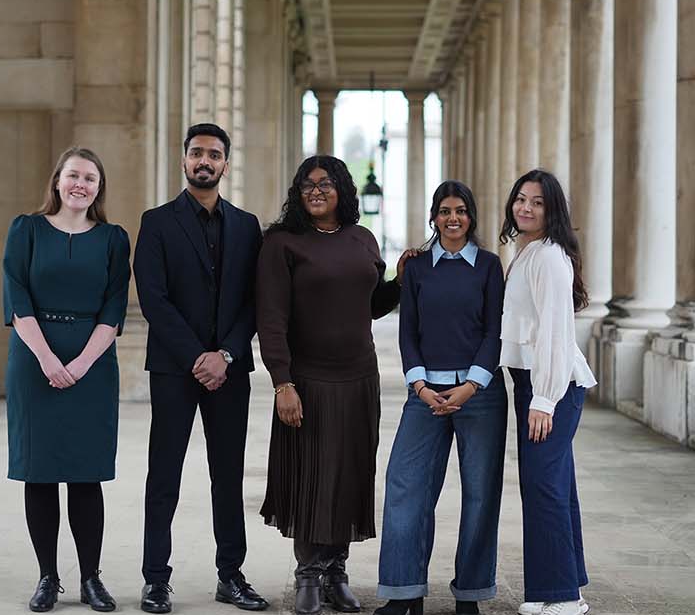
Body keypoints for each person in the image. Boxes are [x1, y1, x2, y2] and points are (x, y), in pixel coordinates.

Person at [256, 155, 411, 615]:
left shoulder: (361, 238)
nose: (316, 190)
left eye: (325, 183)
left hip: (360, 377)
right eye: (307, 184)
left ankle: (336, 572)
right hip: (307, 378)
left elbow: (371, 304)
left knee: (348, 473)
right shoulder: (282, 243)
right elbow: (271, 318)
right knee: (311, 477)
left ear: (342, 189)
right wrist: (282, 381)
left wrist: (399, 281)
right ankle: (308, 574)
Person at [134, 124, 267, 614]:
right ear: (184, 160)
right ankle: (155, 579)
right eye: (196, 153)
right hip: (174, 369)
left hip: (229, 371)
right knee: (163, 475)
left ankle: (230, 576)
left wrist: (225, 355)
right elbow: (154, 299)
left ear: (226, 165)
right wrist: (197, 357)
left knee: (227, 476)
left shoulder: (248, 225)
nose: (204, 161)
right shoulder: (156, 222)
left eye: (213, 154)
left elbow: (256, 300)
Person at [2, 147, 131, 613]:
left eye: (90, 179)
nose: (81, 184)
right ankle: (47, 577)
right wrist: (48, 359)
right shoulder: (27, 229)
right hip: (34, 361)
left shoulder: (115, 239)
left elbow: (114, 308)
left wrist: (79, 364)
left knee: (85, 474)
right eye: (74, 175)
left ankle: (91, 579)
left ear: (99, 188)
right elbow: (16, 298)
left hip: (93, 365)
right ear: (57, 180)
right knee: (39, 473)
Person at [375, 181, 507, 615]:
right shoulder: (416, 268)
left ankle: (469, 596)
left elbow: (494, 331)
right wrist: (420, 386)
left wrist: (471, 385)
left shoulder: (489, 266)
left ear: (472, 217)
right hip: (425, 394)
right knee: (405, 486)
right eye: (445, 211)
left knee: (480, 495)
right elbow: (407, 330)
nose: (453, 218)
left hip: (480, 395)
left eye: (461, 211)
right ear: (433, 217)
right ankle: (403, 591)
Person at [498, 170, 596, 615]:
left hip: (551, 385)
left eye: (537, 202)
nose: (526, 208)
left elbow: (556, 332)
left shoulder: (550, 256)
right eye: (521, 199)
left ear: (551, 209)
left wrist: (544, 399)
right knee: (553, 486)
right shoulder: (527, 250)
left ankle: (565, 598)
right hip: (531, 382)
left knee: (544, 489)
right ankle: (560, 586)